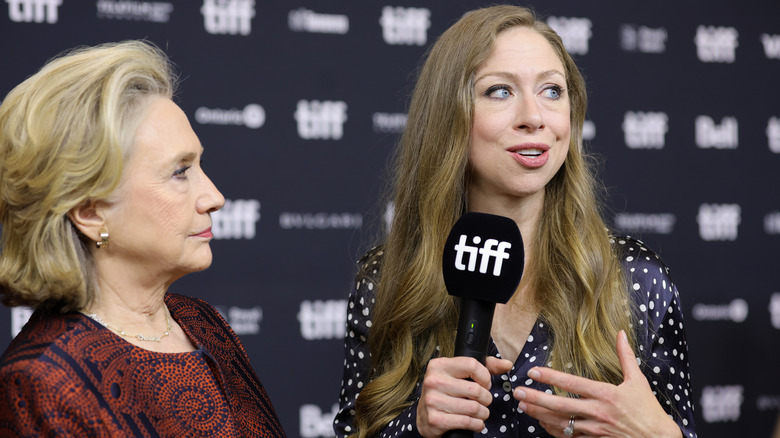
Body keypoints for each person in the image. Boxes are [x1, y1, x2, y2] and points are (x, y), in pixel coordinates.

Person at [334, 5, 696, 438]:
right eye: (500, 92)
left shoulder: (637, 279)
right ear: (449, 115)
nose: (534, 116)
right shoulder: (386, 279)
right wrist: (417, 426)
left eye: (552, 90)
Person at [0, 41, 286, 437]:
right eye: (180, 171)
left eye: (199, 164)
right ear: (90, 211)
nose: (215, 197)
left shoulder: (201, 322)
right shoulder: (43, 379)